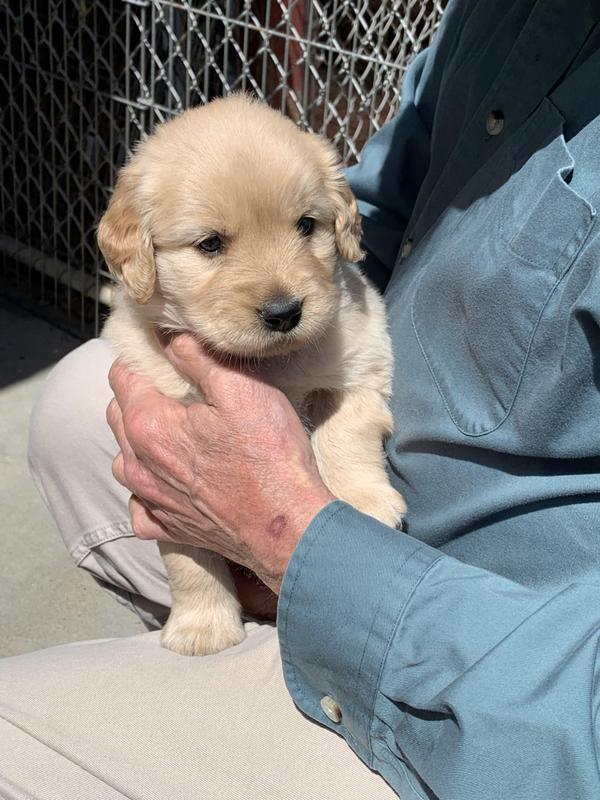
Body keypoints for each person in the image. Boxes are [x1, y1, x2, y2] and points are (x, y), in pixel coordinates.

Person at [2, 0, 600, 797]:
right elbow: (375, 207)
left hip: (492, 663)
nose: (280, 293)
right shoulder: (503, 18)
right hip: (370, 525)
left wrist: (290, 528)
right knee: (80, 402)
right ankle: (234, 646)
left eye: (302, 229)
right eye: (212, 245)